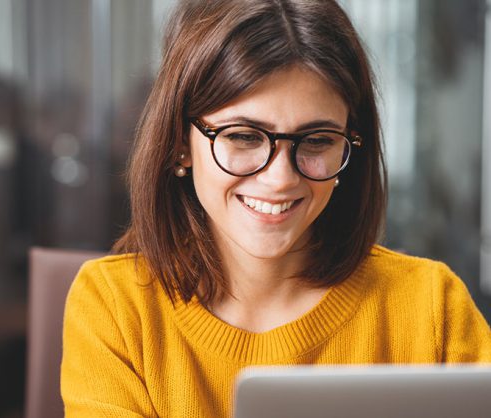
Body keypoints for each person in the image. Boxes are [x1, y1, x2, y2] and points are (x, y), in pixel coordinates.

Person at [61, 0, 491, 417]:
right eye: (244, 136)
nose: (281, 178)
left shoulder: (432, 307)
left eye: (318, 140)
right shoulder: (115, 308)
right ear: (179, 143)